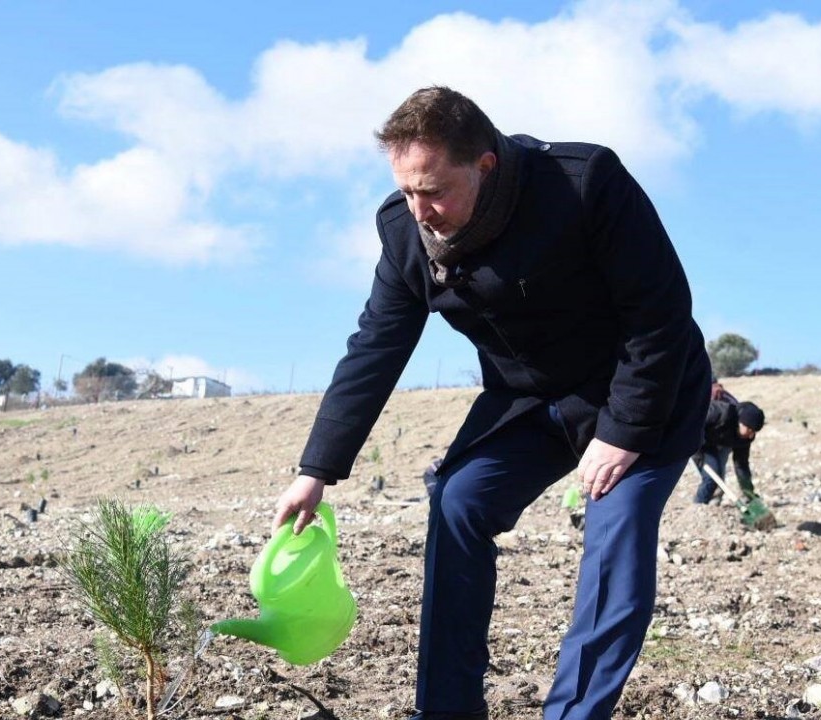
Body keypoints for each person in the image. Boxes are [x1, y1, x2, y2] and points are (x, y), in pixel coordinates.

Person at [273, 86, 711, 720]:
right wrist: (316, 469)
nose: (420, 209)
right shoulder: (406, 236)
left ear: (485, 164)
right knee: (458, 500)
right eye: (406, 192)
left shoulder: (584, 184)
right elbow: (376, 347)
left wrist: (622, 431)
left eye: (433, 190)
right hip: (530, 402)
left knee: (614, 532)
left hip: (639, 392)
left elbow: (660, 316)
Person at [692, 399, 765, 504]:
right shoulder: (720, 413)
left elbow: (741, 464)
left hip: (712, 444)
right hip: (694, 441)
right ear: (741, 422)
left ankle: (711, 508)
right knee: (711, 479)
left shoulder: (745, 438)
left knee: (718, 477)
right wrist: (697, 455)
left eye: (754, 432)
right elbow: (694, 424)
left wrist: (749, 492)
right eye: (749, 429)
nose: (751, 434)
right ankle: (698, 507)